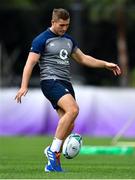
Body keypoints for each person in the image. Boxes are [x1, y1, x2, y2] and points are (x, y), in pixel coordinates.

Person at [15, 8, 121, 172]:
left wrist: (105, 64)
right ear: (53, 22)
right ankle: (53, 150)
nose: (64, 28)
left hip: (65, 83)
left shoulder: (69, 40)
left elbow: (84, 58)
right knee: (73, 110)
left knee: (69, 123)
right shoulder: (41, 40)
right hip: (50, 82)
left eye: (67, 25)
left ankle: (53, 165)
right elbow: (30, 63)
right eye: (61, 25)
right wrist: (24, 85)